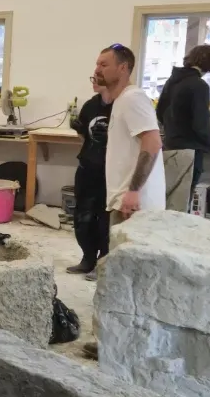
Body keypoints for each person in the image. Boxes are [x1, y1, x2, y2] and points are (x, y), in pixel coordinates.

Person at [93, 43, 165, 225]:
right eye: (97, 64)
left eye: (104, 65)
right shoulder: (121, 100)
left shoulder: (132, 98)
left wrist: (133, 191)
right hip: (125, 201)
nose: (97, 70)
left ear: (123, 68)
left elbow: (153, 142)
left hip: (135, 205)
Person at [156, 43, 210, 210]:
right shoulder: (199, 85)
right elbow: (200, 121)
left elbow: (159, 111)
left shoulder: (172, 80)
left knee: (168, 198)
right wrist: (208, 142)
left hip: (170, 145)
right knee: (182, 203)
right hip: (191, 149)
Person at [68, 74, 113, 279]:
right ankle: (87, 258)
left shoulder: (121, 106)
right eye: (93, 77)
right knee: (82, 216)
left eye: (98, 77)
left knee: (104, 218)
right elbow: (84, 136)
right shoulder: (90, 105)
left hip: (109, 171)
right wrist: (79, 128)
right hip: (87, 167)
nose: (94, 81)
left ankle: (103, 262)